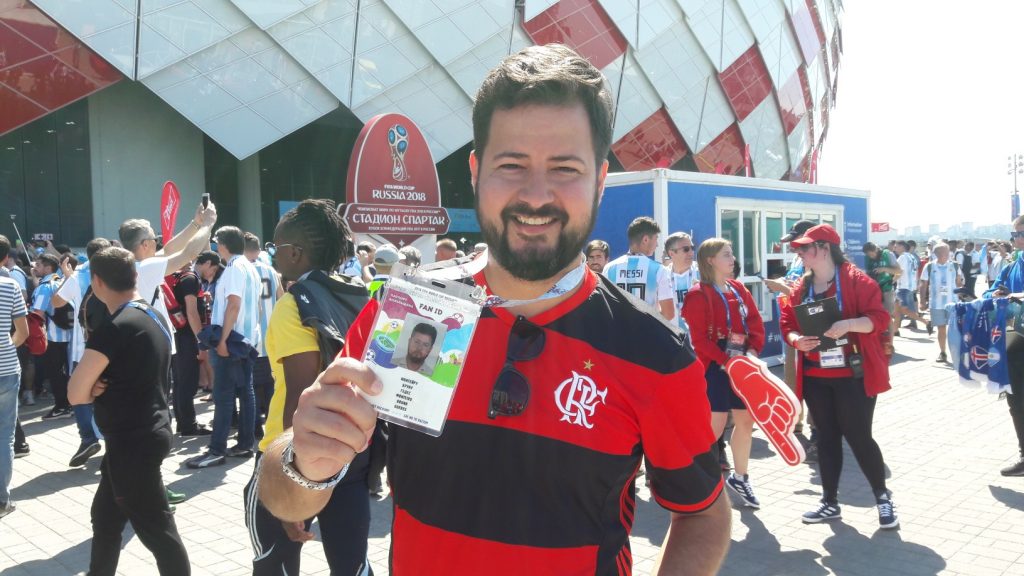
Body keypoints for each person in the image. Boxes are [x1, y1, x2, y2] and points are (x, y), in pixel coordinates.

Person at [257, 43, 729, 575]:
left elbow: (704, 513)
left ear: (599, 179)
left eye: (565, 168)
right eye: (512, 164)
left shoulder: (653, 352)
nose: (535, 194)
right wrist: (305, 463)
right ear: (477, 171)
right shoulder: (405, 312)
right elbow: (287, 500)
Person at [245, 199, 374, 575]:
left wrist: (292, 490)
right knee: (353, 566)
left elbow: (299, 399)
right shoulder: (357, 295)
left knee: (274, 567)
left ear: (295, 253)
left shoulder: (293, 305)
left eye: (276, 247)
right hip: (351, 455)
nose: (273, 254)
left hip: (291, 458)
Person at [67, 247, 190, 574]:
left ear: (96, 282)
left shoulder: (116, 326)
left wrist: (90, 387)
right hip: (145, 433)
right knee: (105, 518)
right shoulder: (151, 314)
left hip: (133, 442)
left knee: (160, 534)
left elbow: (75, 393)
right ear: (135, 276)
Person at [780, 224, 898, 529]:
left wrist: (849, 325)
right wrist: (796, 340)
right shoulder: (801, 287)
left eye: (805, 248)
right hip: (817, 377)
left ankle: (883, 498)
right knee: (828, 439)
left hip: (853, 376)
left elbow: (880, 319)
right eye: (799, 249)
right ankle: (829, 502)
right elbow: (787, 322)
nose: (800, 253)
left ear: (824, 248)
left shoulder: (857, 281)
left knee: (858, 437)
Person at [682, 238, 765, 508]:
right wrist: (727, 362)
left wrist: (752, 351)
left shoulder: (739, 288)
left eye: (732, 254)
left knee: (745, 422)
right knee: (714, 428)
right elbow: (700, 340)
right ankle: (700, 482)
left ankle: (741, 478)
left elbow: (754, 322)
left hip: (741, 361)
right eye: (726, 255)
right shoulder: (698, 294)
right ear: (710, 260)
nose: (732, 259)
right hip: (715, 366)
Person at [187, 226, 262, 469]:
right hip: (247, 339)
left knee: (224, 397)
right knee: (246, 393)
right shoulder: (251, 266)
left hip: (232, 340)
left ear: (222, 245)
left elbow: (233, 305)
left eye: (216, 243)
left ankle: (217, 450)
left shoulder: (233, 268)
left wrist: (221, 342)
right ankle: (244, 444)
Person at [52, 238, 112, 468]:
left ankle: (88, 437)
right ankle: (113, 441)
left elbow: (56, 302)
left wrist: (67, 278)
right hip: (114, 344)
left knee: (79, 392)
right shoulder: (116, 273)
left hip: (84, 346)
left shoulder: (78, 276)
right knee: (111, 392)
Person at [983, 215, 1024, 476]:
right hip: (1018, 338)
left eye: (1020, 233)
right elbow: (990, 292)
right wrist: (994, 295)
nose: (1016, 238)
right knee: (1016, 400)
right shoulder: (1012, 266)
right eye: (1013, 234)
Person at [0, 240, 29, 519]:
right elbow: (22, 331)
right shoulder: (10, 286)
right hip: (7, 367)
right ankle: (2, 499)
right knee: (5, 434)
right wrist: (6, 346)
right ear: (6, 258)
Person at [245, 232, 284, 438]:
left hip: (252, 337)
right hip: (272, 337)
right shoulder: (271, 271)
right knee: (271, 385)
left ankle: (254, 428)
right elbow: (282, 299)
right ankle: (273, 426)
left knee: (250, 387)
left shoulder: (244, 270)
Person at [603, 217, 675, 321]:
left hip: (617, 335)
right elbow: (669, 313)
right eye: (656, 238)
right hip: (647, 335)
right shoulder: (659, 270)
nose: (657, 244)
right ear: (645, 239)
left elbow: (604, 308)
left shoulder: (609, 268)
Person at [31, 253, 73, 419]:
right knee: (65, 371)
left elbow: (37, 313)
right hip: (70, 334)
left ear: (48, 268)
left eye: (39, 265)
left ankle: (61, 406)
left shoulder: (45, 286)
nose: (35, 268)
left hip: (52, 337)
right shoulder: (63, 281)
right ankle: (68, 404)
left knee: (54, 372)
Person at [919, 243, 963, 363]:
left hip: (953, 303)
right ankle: (943, 352)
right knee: (941, 328)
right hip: (936, 304)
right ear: (936, 254)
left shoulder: (954, 265)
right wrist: (922, 301)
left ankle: (958, 352)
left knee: (954, 329)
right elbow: (923, 284)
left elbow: (959, 282)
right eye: (941, 252)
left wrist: (960, 285)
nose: (944, 255)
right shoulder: (929, 266)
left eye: (946, 252)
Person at [862, 242, 900, 340]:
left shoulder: (888, 254)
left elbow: (899, 271)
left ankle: (890, 342)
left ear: (876, 249)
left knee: (887, 316)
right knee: (875, 315)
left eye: (873, 253)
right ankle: (880, 339)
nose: (872, 256)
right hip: (874, 290)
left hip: (886, 289)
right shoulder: (867, 258)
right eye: (869, 255)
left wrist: (884, 269)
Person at [664, 232, 699, 332]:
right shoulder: (662, 275)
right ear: (671, 253)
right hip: (673, 336)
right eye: (686, 249)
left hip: (698, 337)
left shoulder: (703, 273)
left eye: (692, 248)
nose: (691, 253)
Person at [892, 240, 926, 334]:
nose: (894, 248)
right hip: (910, 287)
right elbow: (915, 272)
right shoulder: (912, 257)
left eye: (896, 246)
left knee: (904, 310)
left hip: (903, 287)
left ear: (902, 247)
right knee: (898, 310)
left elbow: (899, 272)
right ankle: (895, 330)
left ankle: (926, 322)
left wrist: (892, 281)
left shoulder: (902, 258)